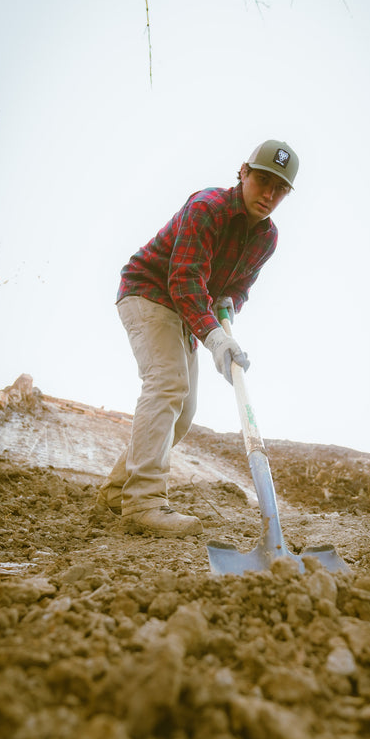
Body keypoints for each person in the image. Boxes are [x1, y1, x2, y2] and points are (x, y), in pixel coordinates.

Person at [99, 139, 299, 537]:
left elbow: (237, 289)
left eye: (280, 189)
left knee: (185, 413)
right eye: (263, 181)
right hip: (150, 292)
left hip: (189, 312)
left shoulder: (266, 238)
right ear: (243, 172)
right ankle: (144, 502)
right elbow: (185, 278)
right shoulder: (207, 208)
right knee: (168, 384)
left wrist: (227, 315)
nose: (269, 195)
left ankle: (117, 491)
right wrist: (214, 337)